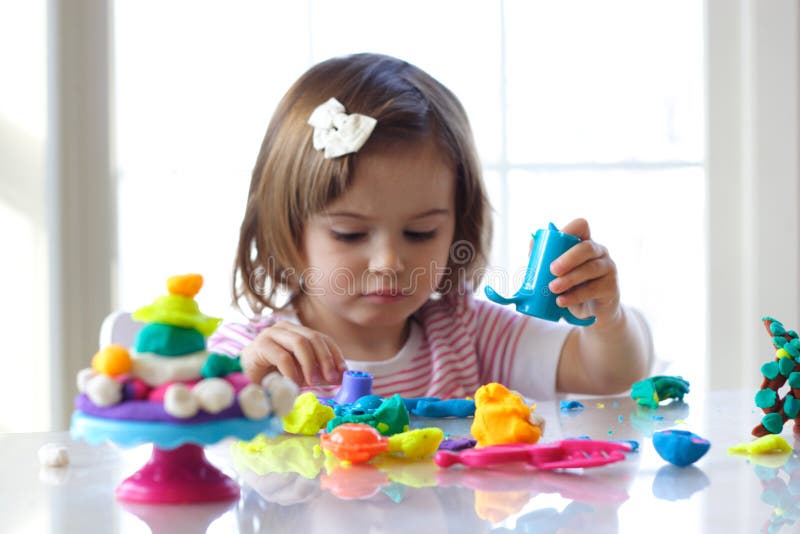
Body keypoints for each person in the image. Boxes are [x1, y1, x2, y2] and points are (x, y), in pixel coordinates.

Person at [208, 52, 653, 400]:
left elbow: (611, 373)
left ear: (457, 227)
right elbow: (182, 425)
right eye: (350, 234)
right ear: (287, 229)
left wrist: (605, 317)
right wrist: (242, 387)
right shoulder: (256, 353)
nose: (388, 263)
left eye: (421, 233)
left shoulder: (466, 335)